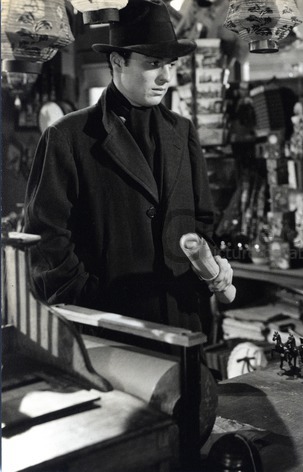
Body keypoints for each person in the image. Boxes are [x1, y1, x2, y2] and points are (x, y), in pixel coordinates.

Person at [24, 0, 233, 343]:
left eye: (169, 64)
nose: (165, 77)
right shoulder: (68, 136)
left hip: (181, 324)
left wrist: (211, 266)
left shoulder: (182, 130)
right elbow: (44, 239)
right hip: (110, 328)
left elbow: (202, 222)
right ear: (117, 61)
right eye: (153, 64)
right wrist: (88, 302)